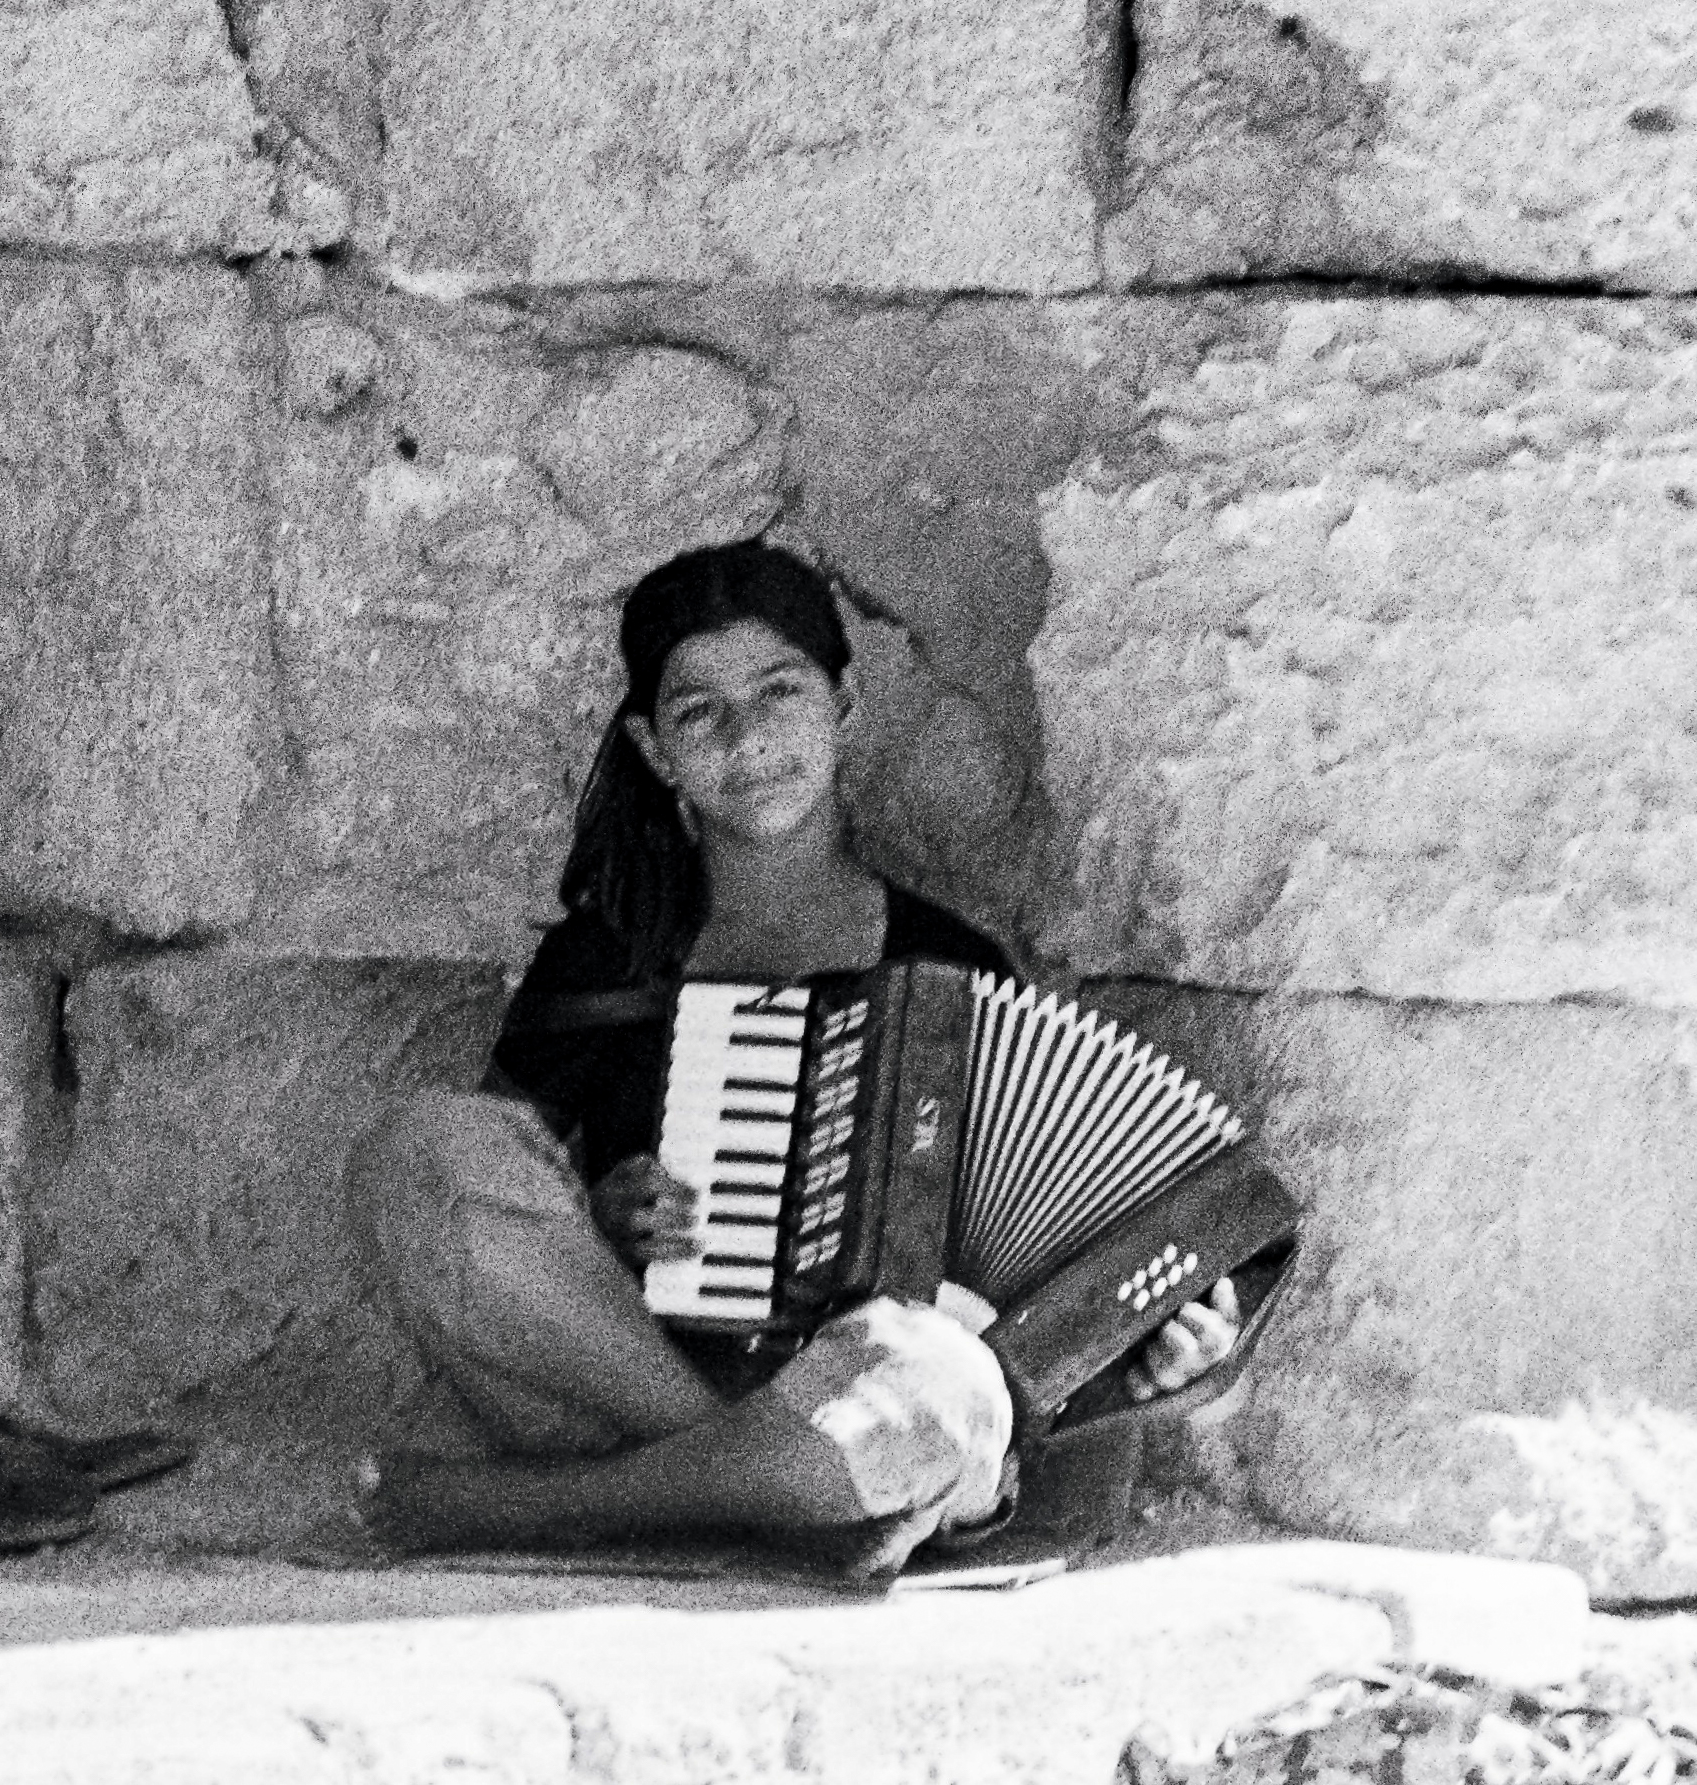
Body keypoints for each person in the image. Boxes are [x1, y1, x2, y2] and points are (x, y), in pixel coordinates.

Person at [342, 539, 1243, 1568]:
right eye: (698, 712)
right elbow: (487, 1207)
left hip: (867, 1398)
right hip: (633, 1383)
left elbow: (1041, 1286)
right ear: (650, 746)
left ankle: (556, 1508)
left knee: (931, 1387)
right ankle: (750, 1486)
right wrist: (598, 1214)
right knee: (413, 1148)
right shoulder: (609, 954)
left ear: (840, 708)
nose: (747, 736)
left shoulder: (945, 965)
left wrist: (1173, 1352)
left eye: (779, 692)